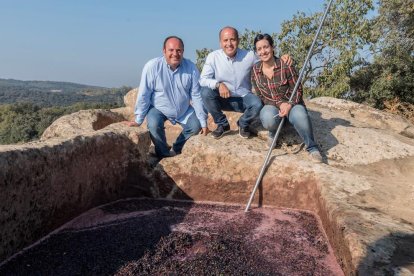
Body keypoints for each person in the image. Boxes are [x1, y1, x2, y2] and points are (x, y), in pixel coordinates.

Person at [199, 26, 291, 139]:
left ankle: (243, 124)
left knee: (257, 103)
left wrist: (282, 58)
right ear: (220, 43)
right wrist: (218, 84)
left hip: (243, 99)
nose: (229, 43)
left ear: (238, 40)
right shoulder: (213, 57)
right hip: (223, 98)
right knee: (205, 92)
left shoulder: (249, 56)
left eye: (232, 39)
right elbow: (203, 80)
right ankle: (222, 125)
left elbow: (266, 57)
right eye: (225, 40)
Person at [124, 36, 208, 159]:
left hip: (183, 110)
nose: (175, 54)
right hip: (159, 108)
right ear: (164, 51)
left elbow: (196, 95)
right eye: (171, 50)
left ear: (183, 51)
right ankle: (163, 155)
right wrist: (138, 119)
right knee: (153, 124)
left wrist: (203, 122)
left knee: (196, 125)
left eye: (179, 50)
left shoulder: (191, 68)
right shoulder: (152, 67)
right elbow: (144, 93)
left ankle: (176, 148)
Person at [251, 33, 323, 163]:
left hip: (292, 105)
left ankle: (312, 147)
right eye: (259, 49)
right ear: (256, 53)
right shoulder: (255, 70)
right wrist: (279, 105)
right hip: (274, 107)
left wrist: (289, 104)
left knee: (300, 116)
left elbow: (298, 89)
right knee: (267, 118)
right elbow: (261, 95)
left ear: (272, 47)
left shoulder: (286, 65)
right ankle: (273, 133)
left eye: (266, 47)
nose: (263, 51)